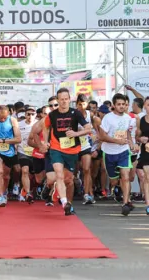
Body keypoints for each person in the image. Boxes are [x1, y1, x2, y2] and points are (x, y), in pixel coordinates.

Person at [40, 88, 91, 216]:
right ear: (58, 100)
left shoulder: (76, 113)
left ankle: (68, 202)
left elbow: (88, 128)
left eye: (66, 99)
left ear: (69, 100)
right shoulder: (52, 115)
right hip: (56, 148)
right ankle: (64, 203)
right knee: (59, 174)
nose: (63, 102)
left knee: (69, 179)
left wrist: (76, 133)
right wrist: (45, 142)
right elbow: (45, 127)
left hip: (72, 150)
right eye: (61, 99)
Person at [98, 93, 137, 216]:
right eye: (118, 104)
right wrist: (117, 141)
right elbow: (102, 136)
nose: (121, 106)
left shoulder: (128, 118)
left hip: (123, 151)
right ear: (114, 105)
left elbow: (127, 134)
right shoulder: (108, 118)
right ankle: (118, 190)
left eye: (123, 104)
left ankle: (125, 203)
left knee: (125, 176)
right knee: (114, 181)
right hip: (109, 152)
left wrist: (131, 144)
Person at [0, 105, 21, 207]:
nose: (3, 119)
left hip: (9, 151)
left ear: (8, 114)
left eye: (5, 117)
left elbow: (18, 139)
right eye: (1, 117)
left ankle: (3, 192)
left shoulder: (13, 121)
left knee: (6, 176)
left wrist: (3, 141)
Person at [16, 105, 37, 204]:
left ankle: (27, 189)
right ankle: (28, 193)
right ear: (25, 115)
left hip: (35, 152)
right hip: (22, 151)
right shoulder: (19, 124)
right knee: (25, 171)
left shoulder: (38, 124)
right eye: (28, 114)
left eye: (32, 114)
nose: (30, 116)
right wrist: (16, 146)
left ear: (35, 115)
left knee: (35, 177)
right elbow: (15, 136)